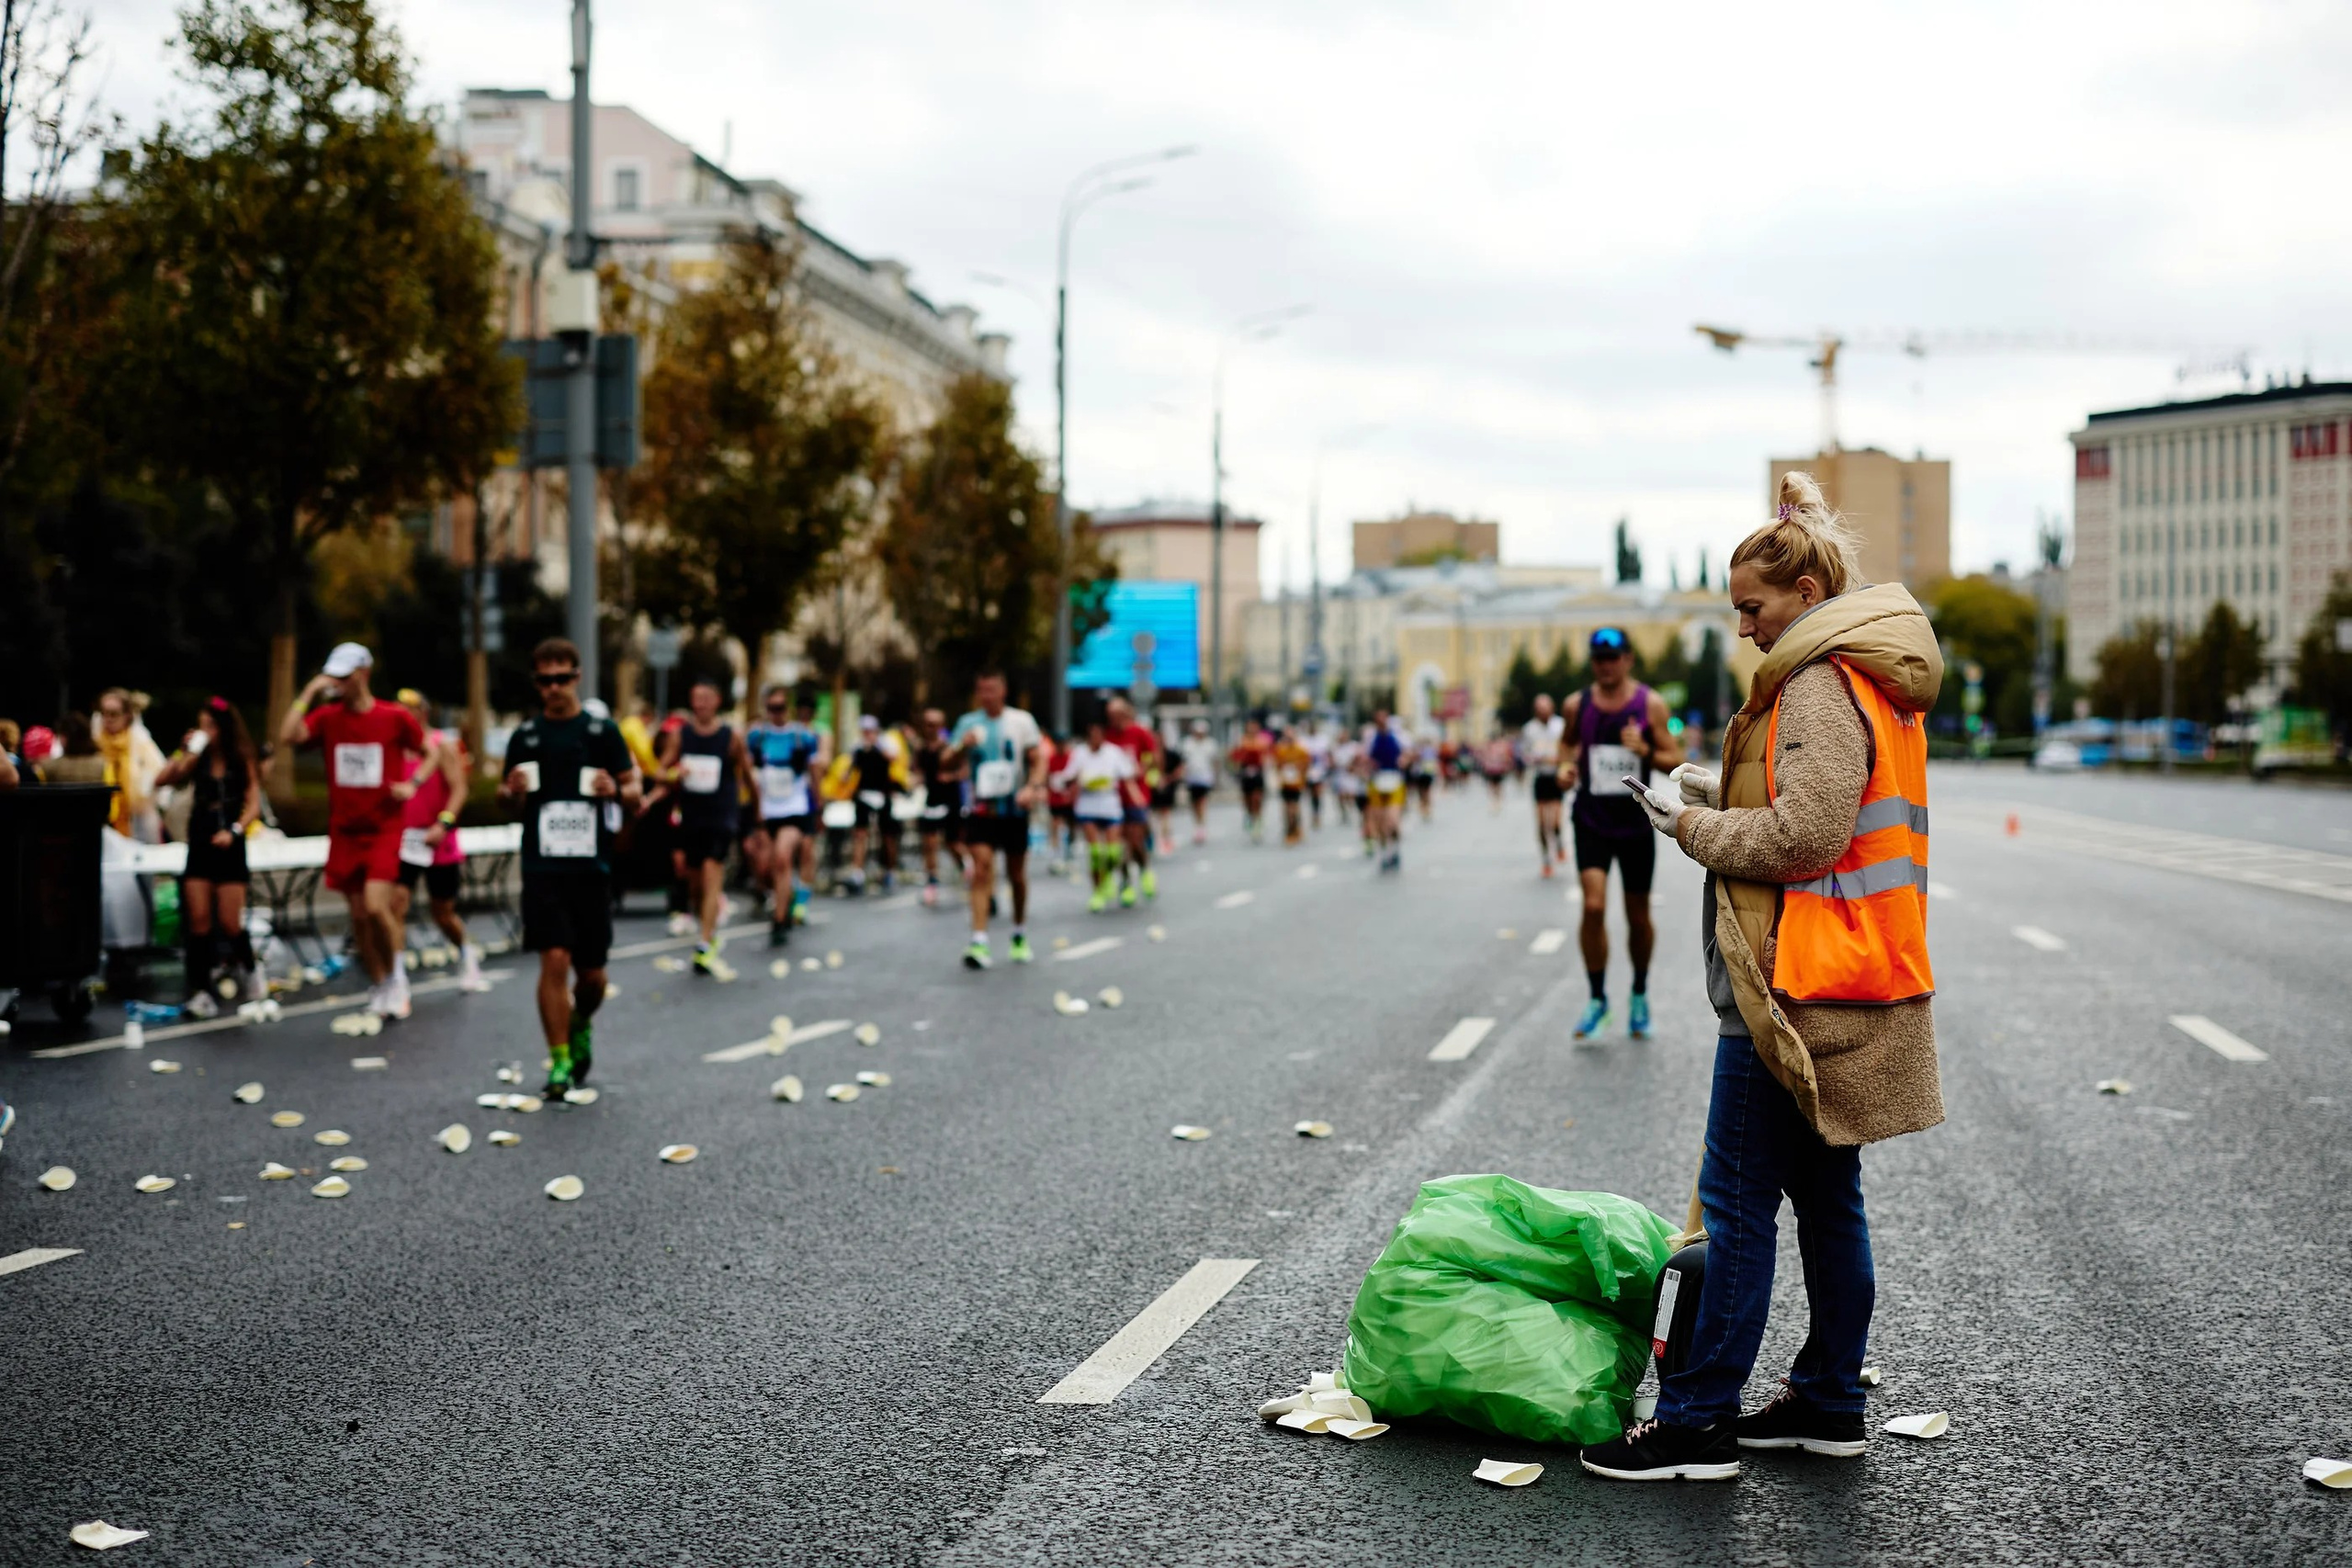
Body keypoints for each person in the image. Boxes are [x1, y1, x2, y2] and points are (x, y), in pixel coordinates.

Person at [1581, 470, 1942, 1483]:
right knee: (1828, 1201)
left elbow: (1808, 832)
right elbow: (1819, 805)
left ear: (1809, 592)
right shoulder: (1866, 676)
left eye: (1754, 608)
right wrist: (1716, 780)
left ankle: (1695, 1420)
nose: (1744, 628)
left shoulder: (1822, 682)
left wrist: (1691, 825)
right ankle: (1826, 1403)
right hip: (1847, 967)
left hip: (1791, 983)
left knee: (1736, 1205)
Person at [501, 637, 640, 1097]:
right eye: (545, 680)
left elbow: (634, 788)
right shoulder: (525, 737)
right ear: (537, 684)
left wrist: (612, 789)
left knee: (593, 978)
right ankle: (559, 1061)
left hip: (591, 870)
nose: (554, 687)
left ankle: (580, 1021)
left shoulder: (602, 733)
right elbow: (507, 803)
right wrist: (512, 792)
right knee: (553, 959)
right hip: (543, 868)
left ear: (577, 678)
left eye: (562, 678)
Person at [278, 643, 427, 1020]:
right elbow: (288, 734)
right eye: (334, 678)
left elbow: (433, 753)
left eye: (344, 677)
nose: (337, 684)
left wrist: (413, 785)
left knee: (378, 906)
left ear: (363, 674)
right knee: (359, 916)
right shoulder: (328, 717)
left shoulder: (394, 717)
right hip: (345, 831)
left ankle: (398, 978)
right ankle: (378, 982)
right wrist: (310, 692)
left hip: (383, 828)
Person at [1560, 626, 1683, 1043]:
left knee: (1637, 916)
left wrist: (1646, 749)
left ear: (1628, 659)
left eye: (1613, 657)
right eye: (1599, 658)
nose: (1606, 665)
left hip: (1634, 822)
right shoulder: (1577, 705)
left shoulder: (1649, 704)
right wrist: (1564, 770)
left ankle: (1639, 993)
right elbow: (1566, 746)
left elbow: (1676, 759)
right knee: (1593, 907)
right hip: (1591, 819)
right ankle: (1597, 998)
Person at [153, 698, 263, 1014]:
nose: (207, 732)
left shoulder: (240, 759)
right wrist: (183, 751)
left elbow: (253, 803)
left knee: (230, 921)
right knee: (198, 920)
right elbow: (163, 779)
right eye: (203, 726)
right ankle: (199, 988)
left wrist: (237, 829)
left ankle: (251, 971)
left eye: (211, 726)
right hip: (200, 837)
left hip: (230, 840)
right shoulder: (196, 759)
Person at [388, 689, 489, 994]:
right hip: (404, 839)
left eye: (411, 710)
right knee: (397, 905)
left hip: (437, 837)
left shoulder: (440, 746)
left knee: (442, 912)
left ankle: (467, 955)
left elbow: (459, 788)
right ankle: (396, 976)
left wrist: (443, 824)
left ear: (424, 713)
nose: (405, 716)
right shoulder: (393, 748)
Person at [656, 675, 752, 976]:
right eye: (697, 699)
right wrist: (675, 774)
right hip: (692, 817)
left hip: (721, 817)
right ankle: (707, 927)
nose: (701, 704)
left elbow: (746, 773)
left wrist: (755, 810)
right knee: (695, 883)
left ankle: (704, 941)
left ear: (717, 702)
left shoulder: (730, 736)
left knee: (713, 873)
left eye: (707, 699)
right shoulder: (681, 736)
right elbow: (660, 771)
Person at [950, 671, 1045, 969]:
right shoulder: (968, 723)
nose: (986, 695)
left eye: (991, 690)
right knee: (981, 868)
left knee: (1016, 875)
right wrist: (962, 747)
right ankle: (979, 941)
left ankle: (1018, 933)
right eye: (982, 690)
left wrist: (1031, 787)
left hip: (1014, 810)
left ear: (1003, 691)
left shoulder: (1022, 721)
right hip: (982, 809)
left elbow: (1038, 760)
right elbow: (947, 761)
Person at [746, 686, 827, 943]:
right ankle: (786, 896)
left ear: (788, 709)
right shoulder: (757, 737)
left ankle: (779, 921)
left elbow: (814, 772)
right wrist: (752, 803)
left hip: (795, 808)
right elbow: (749, 773)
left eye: (780, 708)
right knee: (765, 866)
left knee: (783, 857)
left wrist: (819, 804)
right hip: (768, 809)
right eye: (771, 708)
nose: (776, 713)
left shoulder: (803, 737)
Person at [1051, 709, 1138, 913]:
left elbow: (1129, 774)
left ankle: (1120, 881)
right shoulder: (1080, 753)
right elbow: (1066, 777)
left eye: (1099, 734)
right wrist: (1074, 780)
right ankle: (1098, 891)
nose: (1095, 739)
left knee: (1113, 852)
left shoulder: (1114, 752)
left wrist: (1135, 795)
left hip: (1109, 804)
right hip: (1088, 804)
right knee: (1096, 852)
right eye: (1092, 735)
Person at [1103, 695, 1162, 906]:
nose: (1113, 719)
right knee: (1118, 845)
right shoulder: (1108, 735)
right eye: (1110, 716)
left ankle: (1145, 870)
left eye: (1116, 715)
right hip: (1112, 796)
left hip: (1137, 795)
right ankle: (1126, 883)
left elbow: (1154, 757)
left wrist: (1142, 769)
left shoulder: (1139, 732)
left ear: (1125, 714)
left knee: (1135, 840)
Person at [94, 689, 168, 841]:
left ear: (127, 715)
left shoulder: (140, 743)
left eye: (113, 714)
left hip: (136, 821)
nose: (107, 719)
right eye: (104, 713)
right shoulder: (93, 742)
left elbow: (158, 775)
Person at [842, 714, 903, 894]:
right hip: (864, 794)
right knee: (860, 833)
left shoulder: (886, 743)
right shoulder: (857, 747)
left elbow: (893, 759)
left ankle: (889, 870)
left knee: (887, 835)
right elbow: (849, 770)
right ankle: (857, 872)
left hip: (882, 794)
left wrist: (876, 746)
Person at [910, 707, 963, 908]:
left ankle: (966, 869)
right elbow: (918, 770)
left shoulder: (950, 748)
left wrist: (950, 777)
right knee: (929, 842)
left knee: (952, 843)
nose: (930, 728)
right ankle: (931, 884)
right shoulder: (921, 749)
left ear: (941, 726)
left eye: (934, 725)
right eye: (927, 724)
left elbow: (964, 771)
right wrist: (915, 780)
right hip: (931, 800)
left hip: (950, 800)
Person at [1522, 692, 1569, 877]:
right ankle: (1546, 859)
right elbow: (1524, 754)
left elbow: (1568, 748)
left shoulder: (1560, 725)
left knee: (1556, 822)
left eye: (1546, 709)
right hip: (1541, 777)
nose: (1543, 713)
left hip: (1556, 777)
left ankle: (1558, 842)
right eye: (1539, 710)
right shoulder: (1529, 729)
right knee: (1542, 824)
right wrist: (1534, 758)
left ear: (1552, 709)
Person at [1363, 711, 1408, 871]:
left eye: (1384, 720)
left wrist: (1404, 761)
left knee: (1392, 820)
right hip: (1377, 782)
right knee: (1380, 822)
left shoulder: (1399, 735)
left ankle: (1395, 849)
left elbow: (1408, 754)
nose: (1382, 723)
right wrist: (1367, 766)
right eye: (1378, 720)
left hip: (1394, 781)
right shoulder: (1369, 738)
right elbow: (1364, 758)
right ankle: (1384, 853)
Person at [1229, 722, 1272, 844]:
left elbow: (1268, 756)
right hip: (1245, 774)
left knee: (1257, 799)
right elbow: (1235, 757)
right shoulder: (1242, 741)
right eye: (1250, 729)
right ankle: (1249, 816)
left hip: (1258, 774)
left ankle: (1258, 822)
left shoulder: (1263, 741)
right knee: (1247, 800)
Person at [1178, 719, 1218, 845]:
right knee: (1194, 803)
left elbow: (1215, 762)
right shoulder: (1187, 743)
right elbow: (1183, 762)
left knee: (1202, 801)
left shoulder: (1210, 744)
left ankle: (1201, 827)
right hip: (1192, 778)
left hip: (1205, 778)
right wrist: (1182, 775)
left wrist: (1215, 777)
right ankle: (1197, 824)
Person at [1272, 723, 1312, 846]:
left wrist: (1299, 770)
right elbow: (1277, 766)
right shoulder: (1280, 750)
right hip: (1285, 783)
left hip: (1297, 784)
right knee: (1286, 808)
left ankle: (1295, 829)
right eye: (1286, 737)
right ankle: (1289, 830)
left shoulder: (1301, 750)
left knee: (1294, 808)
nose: (1288, 739)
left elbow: (1306, 765)